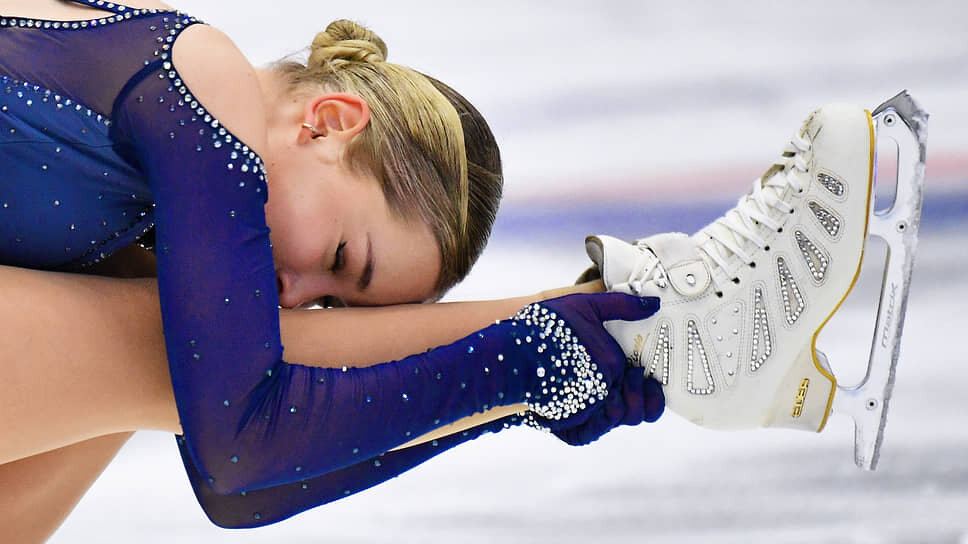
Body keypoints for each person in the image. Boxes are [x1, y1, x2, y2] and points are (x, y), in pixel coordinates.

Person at [0, 0, 665, 540]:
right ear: (328, 124)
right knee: (180, 356)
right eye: (341, 259)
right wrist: (518, 361)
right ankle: (577, 318)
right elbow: (238, 454)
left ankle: (569, 325)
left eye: (330, 305)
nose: (294, 296)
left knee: (192, 357)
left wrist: (509, 404)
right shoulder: (201, 78)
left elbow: (234, 488)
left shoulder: (137, 236)